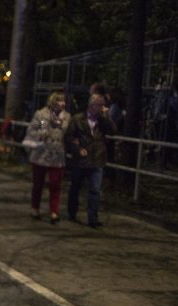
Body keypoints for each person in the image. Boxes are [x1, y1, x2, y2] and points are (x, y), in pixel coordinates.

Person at [65, 94, 116, 228]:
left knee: (95, 190)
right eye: (100, 105)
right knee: (75, 187)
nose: (102, 108)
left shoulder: (102, 121)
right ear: (92, 105)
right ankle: (72, 212)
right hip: (81, 159)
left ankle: (92, 218)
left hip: (97, 158)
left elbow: (113, 130)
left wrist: (107, 117)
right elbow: (69, 137)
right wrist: (77, 149)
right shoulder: (77, 119)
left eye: (103, 106)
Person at [26, 91, 70, 223]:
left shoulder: (66, 117)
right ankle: (35, 208)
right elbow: (31, 130)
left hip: (57, 153)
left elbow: (67, 133)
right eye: (59, 101)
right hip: (42, 152)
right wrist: (41, 132)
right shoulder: (41, 115)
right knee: (38, 184)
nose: (62, 104)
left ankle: (54, 212)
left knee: (55, 185)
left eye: (63, 101)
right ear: (52, 102)